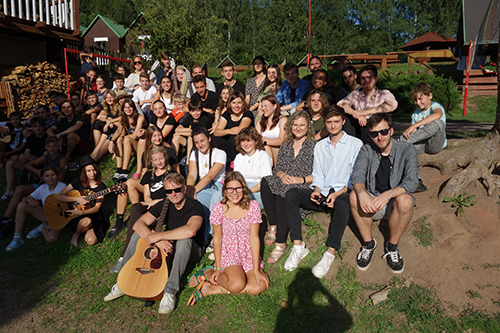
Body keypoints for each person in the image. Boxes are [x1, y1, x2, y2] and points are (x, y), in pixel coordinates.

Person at [104, 172, 205, 315]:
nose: (173, 194)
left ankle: (170, 292)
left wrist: (158, 237)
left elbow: (190, 231)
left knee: (184, 241)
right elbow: (138, 224)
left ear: (184, 189)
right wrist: (153, 237)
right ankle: (121, 282)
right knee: (137, 236)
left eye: (177, 190)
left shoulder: (195, 206)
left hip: (192, 249)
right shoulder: (165, 203)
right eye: (169, 191)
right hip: (169, 244)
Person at [283, 106, 363, 277]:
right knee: (292, 194)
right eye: (329, 122)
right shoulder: (320, 146)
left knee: (343, 201)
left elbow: (356, 177)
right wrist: (316, 190)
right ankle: (298, 246)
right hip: (324, 193)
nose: (333, 125)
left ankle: (330, 252)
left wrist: (338, 193)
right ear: (325, 124)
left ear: (343, 121)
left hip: (343, 192)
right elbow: (318, 174)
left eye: (336, 121)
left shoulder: (355, 144)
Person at [187, 171, 269, 305]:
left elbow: (254, 238)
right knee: (237, 284)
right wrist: (218, 268)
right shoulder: (219, 209)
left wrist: (256, 270)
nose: (234, 193)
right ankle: (209, 273)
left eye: (238, 188)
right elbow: (217, 239)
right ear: (224, 191)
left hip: (247, 252)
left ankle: (210, 289)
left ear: (244, 188)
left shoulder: (252, 207)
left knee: (259, 286)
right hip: (229, 252)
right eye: (230, 189)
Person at [350, 113, 418, 273]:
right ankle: (368, 244)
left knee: (406, 200)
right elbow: (357, 176)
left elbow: (412, 181)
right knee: (354, 195)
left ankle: (392, 246)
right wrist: (361, 192)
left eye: (383, 132)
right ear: (370, 135)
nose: (379, 137)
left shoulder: (407, 149)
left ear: (391, 131)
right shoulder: (367, 149)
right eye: (374, 134)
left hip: (395, 204)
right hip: (373, 201)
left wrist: (388, 194)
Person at [260, 111, 316, 264]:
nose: (298, 128)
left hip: (304, 184)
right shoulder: (286, 145)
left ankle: (281, 242)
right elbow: (277, 168)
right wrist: (282, 175)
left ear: (308, 127)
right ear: (291, 126)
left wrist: (300, 179)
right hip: (287, 179)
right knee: (266, 181)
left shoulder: (314, 146)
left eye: (302, 125)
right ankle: (273, 225)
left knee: (283, 191)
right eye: (295, 125)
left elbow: (319, 174)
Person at [108, 146, 171, 272]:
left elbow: (170, 196)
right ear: (152, 162)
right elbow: (147, 194)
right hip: (151, 205)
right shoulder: (149, 174)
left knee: (138, 217)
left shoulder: (171, 174)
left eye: (161, 158)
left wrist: (154, 202)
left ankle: (125, 257)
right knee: (136, 208)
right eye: (155, 160)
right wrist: (150, 202)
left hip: (164, 206)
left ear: (166, 158)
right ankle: (123, 257)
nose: (159, 162)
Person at [0, 136, 69, 238]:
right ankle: (6, 218)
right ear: (46, 147)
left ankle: (15, 223)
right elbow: (28, 165)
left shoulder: (62, 160)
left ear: (58, 147)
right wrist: (38, 172)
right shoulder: (45, 157)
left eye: (54, 146)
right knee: (19, 189)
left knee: (28, 203)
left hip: (53, 187)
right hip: (42, 184)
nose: (52, 149)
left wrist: (43, 192)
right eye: (49, 146)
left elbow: (59, 180)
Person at [52, 156, 110, 247]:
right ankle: (76, 234)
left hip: (94, 215)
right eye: (89, 171)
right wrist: (77, 199)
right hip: (78, 216)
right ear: (84, 172)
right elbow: (60, 197)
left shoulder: (101, 187)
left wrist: (81, 212)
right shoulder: (78, 182)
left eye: (94, 170)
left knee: (90, 241)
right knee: (86, 221)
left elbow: (96, 208)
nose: (92, 173)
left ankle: (88, 228)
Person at [5, 166, 66, 251]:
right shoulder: (42, 187)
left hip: (59, 217)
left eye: (53, 175)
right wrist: (29, 200)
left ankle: (41, 228)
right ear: (43, 178)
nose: (50, 178)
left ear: (57, 176)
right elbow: (25, 199)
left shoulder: (62, 187)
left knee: (51, 239)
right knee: (22, 205)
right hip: (46, 215)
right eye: (47, 176)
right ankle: (17, 238)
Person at [399, 82, 447, 192]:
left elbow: (437, 115)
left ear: (429, 96)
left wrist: (415, 125)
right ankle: (416, 181)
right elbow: (414, 133)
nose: (418, 102)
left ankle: (400, 142)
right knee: (404, 150)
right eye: (416, 100)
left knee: (438, 123)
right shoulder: (416, 114)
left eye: (421, 99)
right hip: (422, 145)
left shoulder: (435, 106)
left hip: (435, 144)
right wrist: (411, 131)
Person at [210, 127, 272, 209]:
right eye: (243, 141)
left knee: (236, 200)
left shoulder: (263, 156)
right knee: (216, 196)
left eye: (249, 141)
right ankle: (215, 221)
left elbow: (264, 183)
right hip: (239, 188)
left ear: (256, 142)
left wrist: (245, 192)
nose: (246, 144)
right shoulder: (239, 157)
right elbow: (235, 179)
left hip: (257, 191)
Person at [337, 64, 398, 142]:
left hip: (378, 131)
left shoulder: (384, 93)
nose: (366, 80)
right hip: (360, 130)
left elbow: (390, 106)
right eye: (363, 78)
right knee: (345, 115)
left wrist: (364, 113)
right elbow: (341, 104)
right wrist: (355, 114)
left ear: (376, 79)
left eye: (369, 78)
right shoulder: (356, 94)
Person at [186, 126, 226, 231]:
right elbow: (192, 174)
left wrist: (194, 191)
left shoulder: (220, 154)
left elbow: (210, 176)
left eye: (202, 141)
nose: (200, 145)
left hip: (217, 185)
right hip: (202, 185)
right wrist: (189, 189)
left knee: (199, 199)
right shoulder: (194, 153)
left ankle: (210, 232)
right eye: (197, 142)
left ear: (209, 139)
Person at [2, 117, 47, 199]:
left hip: (41, 166)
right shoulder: (30, 138)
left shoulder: (47, 138)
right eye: (35, 126)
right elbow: (27, 152)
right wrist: (24, 157)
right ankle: (9, 190)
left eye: (40, 126)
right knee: (10, 162)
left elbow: (45, 158)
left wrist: (33, 158)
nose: (38, 128)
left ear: (43, 126)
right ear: (32, 128)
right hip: (29, 164)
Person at [213, 91, 254, 164]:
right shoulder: (227, 114)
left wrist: (226, 132)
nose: (237, 106)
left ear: (243, 103)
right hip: (229, 144)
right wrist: (229, 131)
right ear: (230, 104)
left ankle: (234, 162)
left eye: (239, 103)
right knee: (215, 139)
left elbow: (240, 130)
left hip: (243, 142)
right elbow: (216, 132)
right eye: (234, 103)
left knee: (234, 139)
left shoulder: (247, 114)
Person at [110, 98, 147, 182]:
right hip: (131, 148)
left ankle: (125, 170)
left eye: (130, 107)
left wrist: (124, 138)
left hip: (142, 148)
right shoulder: (124, 118)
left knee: (126, 138)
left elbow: (134, 135)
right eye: (126, 107)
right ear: (123, 109)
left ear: (134, 108)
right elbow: (119, 130)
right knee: (119, 139)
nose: (128, 109)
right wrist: (112, 141)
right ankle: (119, 169)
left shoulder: (140, 118)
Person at [90, 90, 122, 161]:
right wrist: (108, 120)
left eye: (111, 97)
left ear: (114, 98)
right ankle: (96, 148)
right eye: (107, 98)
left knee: (108, 128)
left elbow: (122, 118)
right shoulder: (106, 107)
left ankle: (96, 152)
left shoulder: (118, 107)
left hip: (118, 128)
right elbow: (99, 117)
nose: (109, 99)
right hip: (110, 127)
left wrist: (111, 121)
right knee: (97, 123)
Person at [255, 95, 287, 165]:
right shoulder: (260, 122)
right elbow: (257, 140)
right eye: (262, 106)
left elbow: (282, 140)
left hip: (279, 153)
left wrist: (266, 141)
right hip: (264, 151)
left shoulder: (282, 120)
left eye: (265, 106)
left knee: (267, 146)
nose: (263, 109)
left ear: (274, 106)